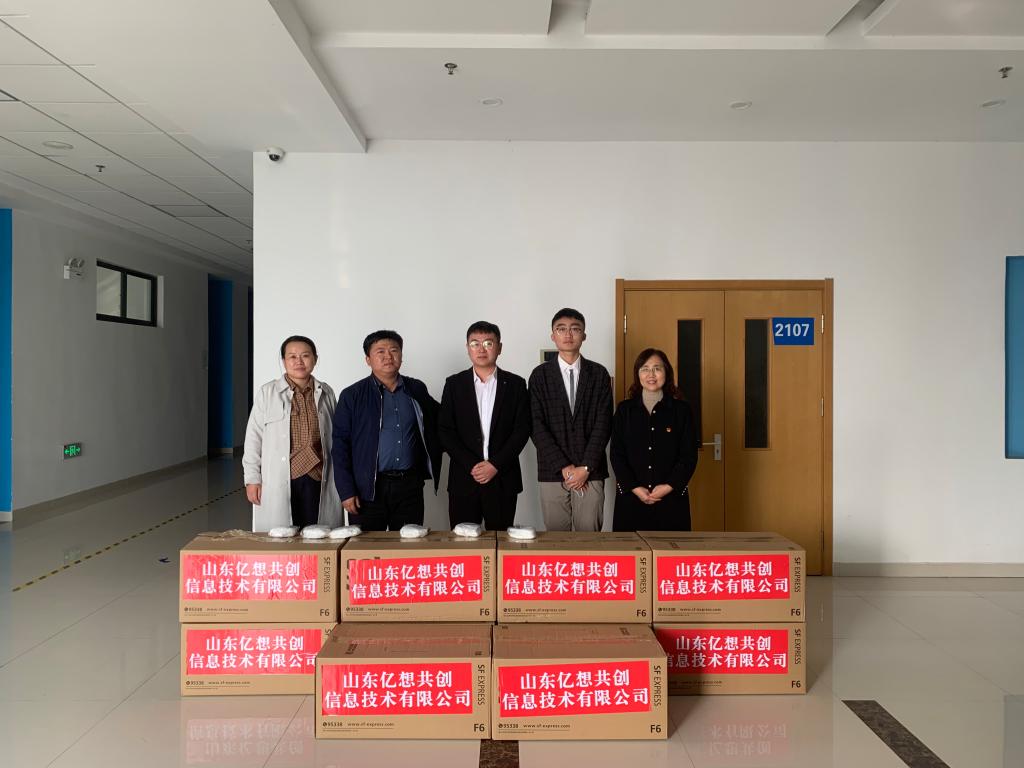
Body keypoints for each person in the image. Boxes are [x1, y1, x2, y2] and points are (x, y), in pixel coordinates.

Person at [331, 330, 442, 531]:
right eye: (380, 351)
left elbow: (441, 422)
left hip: (410, 486)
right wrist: (346, 490)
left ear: (401, 355)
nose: (388, 356)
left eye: (394, 350)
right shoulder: (352, 395)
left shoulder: (416, 389)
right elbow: (340, 445)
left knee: (409, 544)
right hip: (367, 489)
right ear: (368, 359)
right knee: (368, 547)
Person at [243, 335, 342, 532]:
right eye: (292, 356)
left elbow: (337, 437)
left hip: (318, 475)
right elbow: (254, 438)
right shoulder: (268, 392)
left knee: (317, 535)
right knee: (283, 537)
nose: (299, 361)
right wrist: (252, 479)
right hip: (282, 476)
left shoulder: (326, 392)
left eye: (305, 355)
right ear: (283, 361)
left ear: (315, 359)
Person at [438, 321, 531, 531]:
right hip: (464, 478)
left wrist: (495, 464)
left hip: (502, 478)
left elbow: (522, 430)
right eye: (475, 343)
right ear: (467, 348)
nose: (482, 349)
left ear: (499, 347)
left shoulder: (516, 384)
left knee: (500, 541)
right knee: (463, 542)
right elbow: (445, 430)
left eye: (489, 343)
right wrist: (472, 465)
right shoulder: (454, 384)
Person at [528, 308, 613, 531]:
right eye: (561, 329)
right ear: (552, 335)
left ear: (584, 335)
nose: (568, 334)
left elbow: (603, 424)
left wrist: (585, 467)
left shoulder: (599, 374)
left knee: (589, 538)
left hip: (591, 471)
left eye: (575, 329)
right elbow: (536, 425)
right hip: (552, 471)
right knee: (556, 540)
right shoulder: (540, 376)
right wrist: (564, 467)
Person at [610, 348, 699, 532]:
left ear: (667, 372)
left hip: (671, 499)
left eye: (657, 368)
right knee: (631, 548)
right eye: (645, 369)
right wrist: (635, 488)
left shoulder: (681, 411)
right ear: (638, 374)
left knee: (671, 548)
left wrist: (668, 486)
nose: (651, 374)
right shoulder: (624, 410)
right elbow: (617, 455)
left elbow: (688, 456)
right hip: (631, 498)